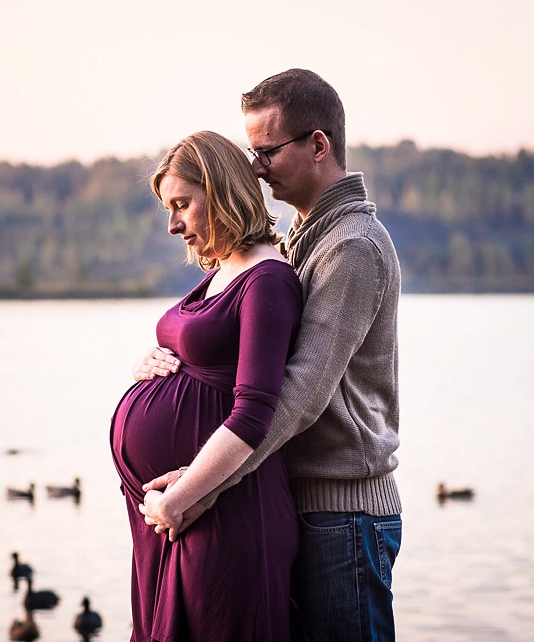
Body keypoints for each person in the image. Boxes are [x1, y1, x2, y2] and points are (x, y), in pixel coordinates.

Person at [138, 69, 403, 641]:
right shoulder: (300, 239)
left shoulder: (351, 247)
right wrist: (159, 367)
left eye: (266, 151)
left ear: (317, 146)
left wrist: (201, 488)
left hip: (343, 513)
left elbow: (300, 394)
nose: (254, 167)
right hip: (298, 499)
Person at [110, 130, 303, 641]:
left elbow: (254, 414)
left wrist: (179, 500)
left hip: (222, 517)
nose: (173, 225)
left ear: (218, 191)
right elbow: (196, 353)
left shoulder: (267, 281)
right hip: (172, 522)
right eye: (167, 209)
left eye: (182, 205)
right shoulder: (222, 271)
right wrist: (145, 363)